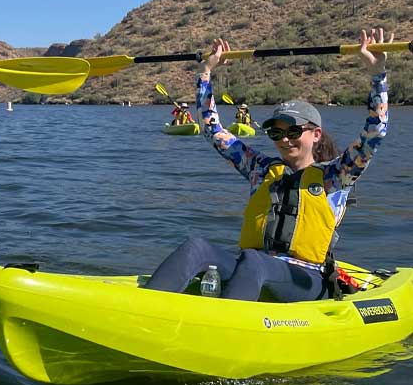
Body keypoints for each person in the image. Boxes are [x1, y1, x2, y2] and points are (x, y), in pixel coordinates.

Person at [143, 28, 393, 302]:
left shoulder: (336, 175)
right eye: (276, 133)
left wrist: (377, 75)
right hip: (255, 269)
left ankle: (227, 329)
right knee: (196, 248)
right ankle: (146, 308)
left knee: (253, 261)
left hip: (305, 280)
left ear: (315, 134)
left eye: (293, 131)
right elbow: (212, 130)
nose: (284, 139)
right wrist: (205, 72)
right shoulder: (259, 168)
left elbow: (375, 131)